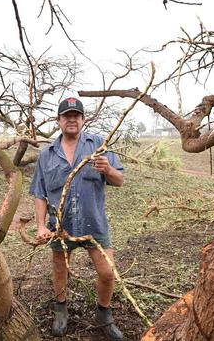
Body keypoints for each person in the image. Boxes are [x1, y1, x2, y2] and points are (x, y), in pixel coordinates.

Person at [29, 97, 125, 340]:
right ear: (59, 121)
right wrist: (41, 225)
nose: (72, 120)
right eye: (66, 116)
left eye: (76, 116)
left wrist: (108, 170)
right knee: (60, 268)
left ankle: (104, 315)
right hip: (60, 226)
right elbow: (40, 193)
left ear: (83, 120)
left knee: (107, 272)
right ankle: (61, 309)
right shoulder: (47, 155)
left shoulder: (98, 145)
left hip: (94, 223)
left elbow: (119, 180)